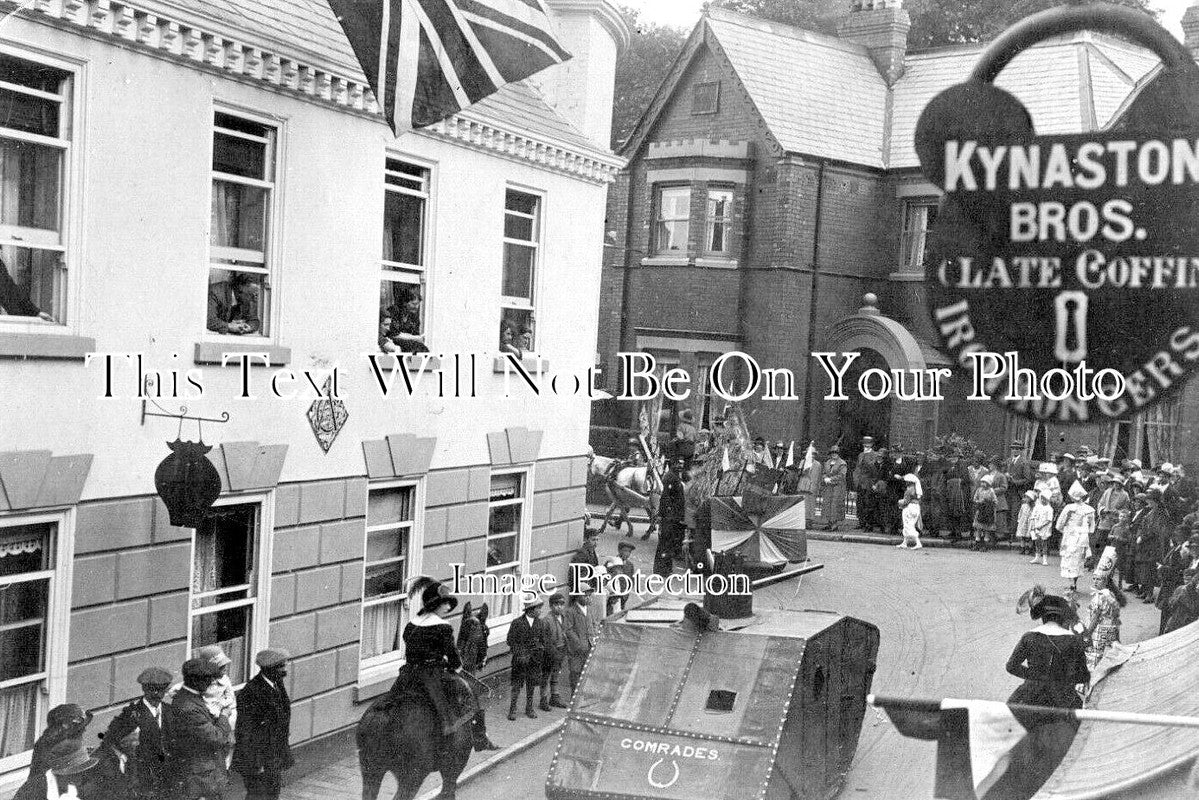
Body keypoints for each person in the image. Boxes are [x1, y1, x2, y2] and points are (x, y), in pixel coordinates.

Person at [990, 595, 1089, 800]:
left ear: (1042, 617)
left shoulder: (1029, 636)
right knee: (1077, 744)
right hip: (1062, 699)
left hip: (1028, 696)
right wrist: (1061, 679)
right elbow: (1082, 675)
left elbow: (1011, 666)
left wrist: (1035, 677)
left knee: (1010, 741)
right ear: (1063, 618)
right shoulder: (1073, 640)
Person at [386, 577, 474, 735]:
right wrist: (457, 666)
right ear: (434, 604)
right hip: (432, 676)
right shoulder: (443, 627)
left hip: (408, 674)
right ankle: (471, 732)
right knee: (466, 691)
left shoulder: (412, 624)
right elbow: (452, 655)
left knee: (390, 701)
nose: (448, 607)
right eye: (444, 603)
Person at [165, 658, 234, 800]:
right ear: (197, 682)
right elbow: (217, 737)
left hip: (202, 772)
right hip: (199, 777)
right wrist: (224, 716)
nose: (211, 684)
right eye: (209, 680)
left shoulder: (190, 697)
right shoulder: (189, 707)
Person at [101, 667, 174, 800]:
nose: (157, 694)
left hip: (167, 780)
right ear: (144, 690)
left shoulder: (170, 712)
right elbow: (109, 741)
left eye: (161, 690)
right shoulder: (131, 715)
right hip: (143, 782)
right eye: (152, 690)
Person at [232, 650, 293, 800]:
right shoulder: (251, 691)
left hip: (273, 755)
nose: (285, 670)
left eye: (284, 665)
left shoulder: (276, 683)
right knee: (257, 795)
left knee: (273, 792)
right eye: (280, 667)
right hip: (257, 758)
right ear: (269, 669)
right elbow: (245, 731)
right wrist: (256, 763)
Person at [456, 602, 499, 751]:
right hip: (461, 675)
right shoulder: (477, 635)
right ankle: (480, 740)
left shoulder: (462, 638)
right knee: (479, 706)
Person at [15, 738, 103, 800]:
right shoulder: (33, 790)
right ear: (61, 774)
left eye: (83, 772)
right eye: (76, 773)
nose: (80, 778)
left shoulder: (86, 786)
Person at [30, 704, 93, 779]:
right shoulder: (50, 745)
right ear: (65, 725)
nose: (84, 730)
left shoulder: (67, 739)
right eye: (79, 728)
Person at [506, 598, 544, 721]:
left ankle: (529, 708)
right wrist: (520, 653)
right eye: (538, 608)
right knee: (516, 685)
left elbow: (543, 640)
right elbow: (510, 641)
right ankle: (512, 709)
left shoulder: (540, 623)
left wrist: (539, 647)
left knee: (531, 685)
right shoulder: (517, 623)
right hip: (520, 660)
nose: (540, 610)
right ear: (530, 610)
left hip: (534, 660)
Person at [533, 593, 570, 711]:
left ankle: (554, 697)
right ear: (550, 606)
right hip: (549, 653)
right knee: (546, 675)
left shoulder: (563, 618)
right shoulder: (546, 620)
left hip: (561, 649)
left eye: (561, 604)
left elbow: (566, 633)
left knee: (556, 674)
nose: (559, 607)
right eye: (556, 604)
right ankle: (543, 700)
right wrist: (553, 652)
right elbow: (545, 640)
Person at [1056, 482, 1095, 594]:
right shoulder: (1090, 510)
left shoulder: (1069, 507)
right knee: (1078, 560)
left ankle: (1071, 584)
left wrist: (1066, 530)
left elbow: (1059, 524)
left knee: (1069, 559)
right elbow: (1092, 527)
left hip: (1071, 536)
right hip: (1083, 538)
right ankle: (1074, 583)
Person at [1083, 570, 1125, 663]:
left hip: (1099, 629)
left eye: (1098, 579)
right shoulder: (1110, 594)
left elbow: (1095, 618)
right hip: (1110, 627)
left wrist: (1087, 634)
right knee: (1115, 650)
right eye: (1094, 579)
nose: (1095, 581)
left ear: (1105, 582)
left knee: (1093, 656)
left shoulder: (1101, 596)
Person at [655, 459, 686, 576]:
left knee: (669, 543)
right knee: (665, 543)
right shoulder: (670, 477)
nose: (680, 466)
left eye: (682, 464)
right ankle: (661, 570)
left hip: (673, 516)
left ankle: (666, 569)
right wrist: (667, 515)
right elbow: (665, 498)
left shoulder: (675, 476)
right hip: (669, 517)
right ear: (672, 464)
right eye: (678, 464)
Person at [563, 590, 595, 696]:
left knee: (586, 672)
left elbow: (594, 624)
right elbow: (568, 630)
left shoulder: (589, 610)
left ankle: (583, 696)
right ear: (577, 597)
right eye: (585, 595)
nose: (587, 598)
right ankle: (574, 696)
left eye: (589, 596)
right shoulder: (570, 611)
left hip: (589, 646)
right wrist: (578, 643)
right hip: (576, 649)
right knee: (575, 672)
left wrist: (594, 637)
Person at [1006, 440, 1036, 538]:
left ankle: (1013, 535)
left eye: (1017, 449)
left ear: (1021, 451)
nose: (1015, 451)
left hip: (1018, 492)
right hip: (1008, 491)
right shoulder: (1008, 461)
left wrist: (1015, 481)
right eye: (1013, 449)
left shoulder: (1024, 462)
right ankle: (1007, 533)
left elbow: (1028, 479)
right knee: (1008, 511)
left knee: (1015, 513)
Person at [386, 286, 429, 353]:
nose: (417, 307)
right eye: (414, 304)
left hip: (408, 344)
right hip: (391, 343)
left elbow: (415, 334)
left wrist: (416, 338)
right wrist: (416, 338)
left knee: (423, 349)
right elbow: (393, 334)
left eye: (418, 304)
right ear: (404, 302)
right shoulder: (394, 311)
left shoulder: (414, 317)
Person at [853, 436, 881, 532]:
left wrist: (873, 483)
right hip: (860, 482)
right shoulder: (860, 455)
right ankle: (861, 522)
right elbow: (857, 468)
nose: (866, 445)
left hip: (869, 483)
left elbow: (873, 469)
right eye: (864, 444)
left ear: (872, 444)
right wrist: (856, 481)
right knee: (860, 503)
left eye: (868, 444)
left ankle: (869, 524)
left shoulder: (875, 455)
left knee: (868, 504)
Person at [605, 541, 637, 615]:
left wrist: (626, 593)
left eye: (629, 552)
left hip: (624, 596)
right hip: (613, 597)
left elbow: (631, 580)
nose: (627, 553)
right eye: (625, 551)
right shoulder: (611, 562)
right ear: (619, 550)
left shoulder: (630, 565)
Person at [821, 445, 847, 531]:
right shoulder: (827, 462)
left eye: (836, 453)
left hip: (837, 487)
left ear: (838, 454)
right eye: (832, 453)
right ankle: (829, 523)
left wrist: (831, 479)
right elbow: (824, 472)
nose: (834, 454)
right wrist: (825, 478)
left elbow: (841, 475)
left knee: (835, 505)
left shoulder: (842, 463)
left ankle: (834, 524)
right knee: (827, 503)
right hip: (828, 487)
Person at [1028, 490, 1055, 566]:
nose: (1042, 500)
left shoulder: (1049, 509)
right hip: (1037, 527)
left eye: (1044, 499)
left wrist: (1041, 526)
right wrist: (1033, 525)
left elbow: (1049, 520)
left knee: (1044, 543)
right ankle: (1037, 557)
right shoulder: (1037, 507)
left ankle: (1045, 559)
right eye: (1041, 498)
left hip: (1044, 528)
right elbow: (1033, 516)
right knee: (1037, 542)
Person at [972, 473, 997, 552]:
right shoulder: (979, 490)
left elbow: (995, 501)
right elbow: (975, 499)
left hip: (987, 512)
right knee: (978, 529)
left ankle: (985, 545)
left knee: (986, 529)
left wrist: (988, 502)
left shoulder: (991, 491)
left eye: (985, 482)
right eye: (982, 482)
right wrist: (978, 502)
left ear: (988, 483)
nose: (983, 484)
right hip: (980, 511)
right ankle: (977, 544)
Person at [896, 474, 922, 549]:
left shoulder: (908, 490)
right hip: (916, 508)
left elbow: (905, 502)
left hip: (909, 508)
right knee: (910, 525)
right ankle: (905, 543)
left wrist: (900, 501)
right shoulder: (917, 490)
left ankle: (918, 543)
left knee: (908, 526)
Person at [1015, 489, 1036, 556]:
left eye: (1028, 497)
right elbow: (1020, 513)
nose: (1026, 499)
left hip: (1030, 523)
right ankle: (1022, 548)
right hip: (1023, 522)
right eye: (1025, 497)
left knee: (1030, 537)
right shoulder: (1023, 506)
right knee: (1022, 536)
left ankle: (1030, 549)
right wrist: (1019, 520)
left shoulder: (1033, 507)